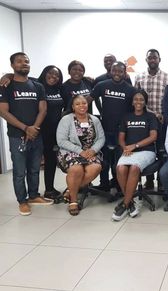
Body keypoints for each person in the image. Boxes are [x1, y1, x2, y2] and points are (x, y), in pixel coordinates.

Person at [0, 52, 52, 216]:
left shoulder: (37, 86)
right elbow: (3, 111)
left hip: (36, 135)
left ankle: (34, 196)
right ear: (12, 65)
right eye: (20, 61)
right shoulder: (6, 86)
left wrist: (34, 129)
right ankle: (22, 201)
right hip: (17, 136)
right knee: (20, 171)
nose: (24, 64)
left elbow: (43, 109)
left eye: (27, 61)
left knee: (35, 168)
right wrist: (25, 128)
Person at [112, 90, 158, 221]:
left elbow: (153, 137)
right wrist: (125, 147)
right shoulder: (126, 117)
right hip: (129, 151)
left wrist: (135, 145)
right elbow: (121, 137)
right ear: (132, 102)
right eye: (136, 99)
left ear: (145, 102)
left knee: (134, 168)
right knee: (120, 168)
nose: (138, 102)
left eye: (141, 100)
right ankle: (131, 202)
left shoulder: (150, 117)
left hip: (146, 151)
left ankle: (124, 204)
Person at [91, 61, 136, 191]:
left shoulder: (130, 89)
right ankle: (103, 184)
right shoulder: (101, 85)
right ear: (110, 71)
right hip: (104, 129)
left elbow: (138, 107)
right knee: (104, 159)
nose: (117, 73)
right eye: (114, 71)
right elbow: (88, 99)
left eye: (120, 71)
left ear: (124, 73)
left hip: (122, 132)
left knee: (119, 160)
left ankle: (118, 184)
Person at [56, 95, 105, 215]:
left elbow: (101, 138)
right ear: (72, 107)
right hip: (70, 152)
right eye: (77, 104)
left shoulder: (94, 119)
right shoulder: (66, 120)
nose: (81, 106)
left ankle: (71, 190)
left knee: (96, 167)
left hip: (90, 152)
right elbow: (61, 140)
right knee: (76, 169)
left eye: (84, 103)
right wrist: (80, 151)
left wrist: (93, 150)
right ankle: (73, 201)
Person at [135, 49, 168, 190]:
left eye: (155, 58)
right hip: (145, 120)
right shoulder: (139, 77)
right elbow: (137, 99)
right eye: (150, 58)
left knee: (162, 149)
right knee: (148, 149)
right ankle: (149, 180)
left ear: (159, 60)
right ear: (146, 60)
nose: (152, 60)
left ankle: (162, 180)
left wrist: (163, 115)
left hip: (162, 120)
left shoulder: (167, 77)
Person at [37, 65, 65, 200]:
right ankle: (32, 193)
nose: (53, 77)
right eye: (51, 73)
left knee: (50, 161)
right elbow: (19, 78)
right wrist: (8, 76)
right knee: (33, 163)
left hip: (54, 132)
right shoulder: (37, 86)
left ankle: (49, 189)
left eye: (57, 75)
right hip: (39, 130)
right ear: (44, 73)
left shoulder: (58, 89)